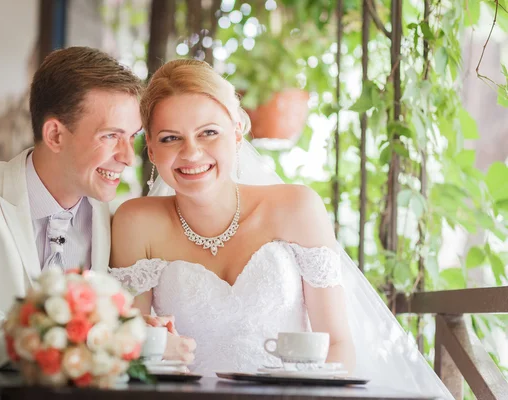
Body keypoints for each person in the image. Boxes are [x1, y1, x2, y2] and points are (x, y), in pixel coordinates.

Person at [109, 59, 452, 399]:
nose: (192, 152)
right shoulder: (135, 223)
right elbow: (129, 348)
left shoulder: (297, 209)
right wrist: (148, 344)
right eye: (171, 138)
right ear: (151, 150)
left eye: (209, 132)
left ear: (237, 131)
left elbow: (338, 343)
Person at [0, 46, 143, 400]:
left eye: (133, 136)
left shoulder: (112, 218)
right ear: (55, 135)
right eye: (111, 136)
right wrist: (106, 331)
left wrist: (135, 331)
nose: (127, 156)